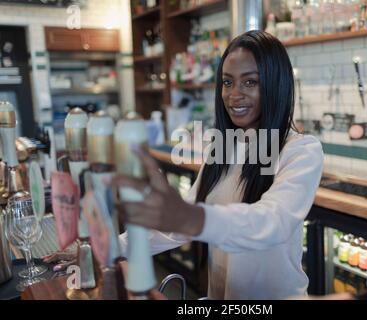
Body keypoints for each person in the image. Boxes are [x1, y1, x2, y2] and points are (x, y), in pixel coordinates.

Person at [45, 30, 324, 300]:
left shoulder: (300, 150)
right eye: (227, 82)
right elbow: (179, 226)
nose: (233, 94)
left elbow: (272, 222)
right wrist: (102, 248)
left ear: (276, 84)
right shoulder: (224, 148)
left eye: (250, 82)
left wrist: (190, 217)